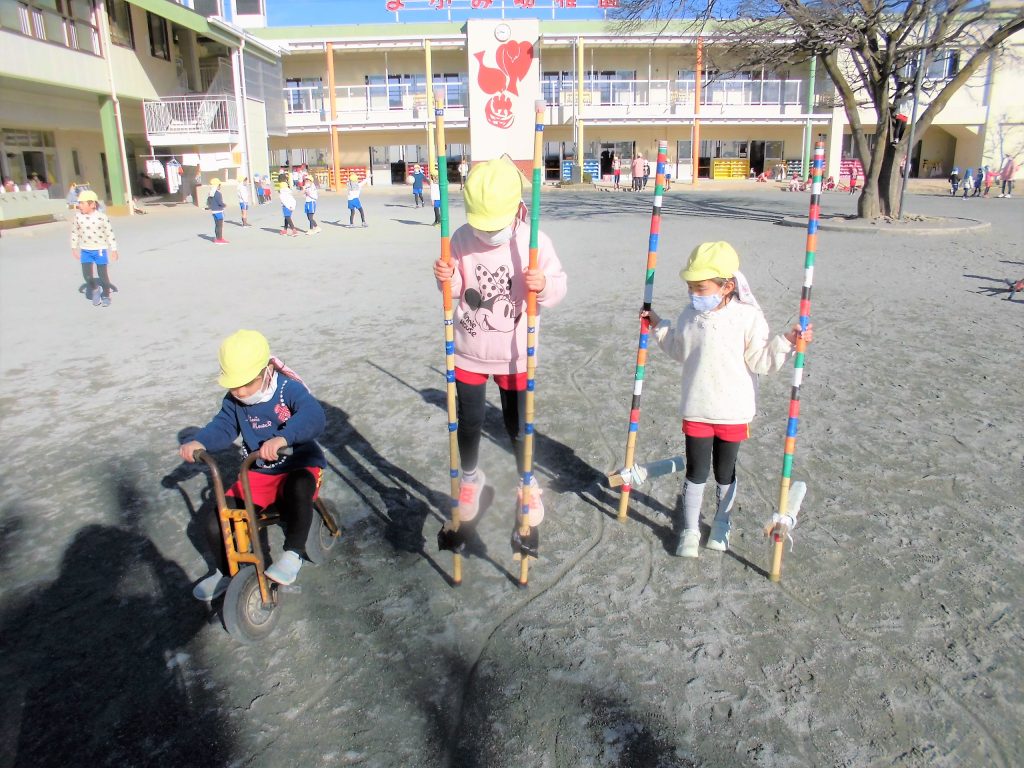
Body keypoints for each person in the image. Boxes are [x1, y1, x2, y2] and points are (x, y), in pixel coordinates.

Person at [641, 241, 812, 558]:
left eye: (701, 287)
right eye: (691, 286)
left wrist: (788, 342)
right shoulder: (689, 315)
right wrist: (658, 324)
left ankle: (721, 523)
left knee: (724, 471)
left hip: (733, 411)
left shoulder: (748, 317)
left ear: (727, 285)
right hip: (697, 407)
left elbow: (762, 361)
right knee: (695, 471)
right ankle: (690, 529)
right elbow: (680, 349)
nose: (694, 292)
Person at [430, 158, 568, 548]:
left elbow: (559, 287)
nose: (486, 233)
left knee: (517, 424)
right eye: (480, 224)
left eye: (493, 225)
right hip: (470, 350)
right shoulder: (458, 237)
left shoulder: (533, 239)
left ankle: (527, 483)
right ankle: (471, 479)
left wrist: (543, 285)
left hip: (515, 353)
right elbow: (457, 289)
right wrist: (445, 276)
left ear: (514, 211)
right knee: (468, 420)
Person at [177, 330, 327, 597]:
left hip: (298, 464)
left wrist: (284, 437)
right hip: (258, 473)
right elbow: (223, 426)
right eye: (233, 385)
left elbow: (313, 415)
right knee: (216, 520)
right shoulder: (234, 400)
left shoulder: (286, 389)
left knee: (299, 487)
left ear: (266, 370)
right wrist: (199, 442)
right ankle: (227, 573)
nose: (240, 391)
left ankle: (294, 553)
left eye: (246, 383)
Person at [70, 190, 119, 308]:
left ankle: (106, 295)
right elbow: (75, 233)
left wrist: (114, 250)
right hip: (85, 250)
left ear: (92, 204)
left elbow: (109, 233)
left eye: (82, 203)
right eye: (79, 203)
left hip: (100, 250)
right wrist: (74, 248)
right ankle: (95, 289)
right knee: (86, 275)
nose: (79, 206)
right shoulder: (78, 217)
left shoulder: (101, 217)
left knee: (103, 275)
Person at [206, 178, 228, 244]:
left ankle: (217, 238)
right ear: (217, 185)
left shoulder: (210, 193)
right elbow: (220, 203)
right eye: (219, 185)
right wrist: (224, 205)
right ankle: (220, 239)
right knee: (220, 226)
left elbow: (208, 202)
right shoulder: (218, 193)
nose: (220, 186)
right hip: (218, 211)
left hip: (213, 211)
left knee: (216, 225)